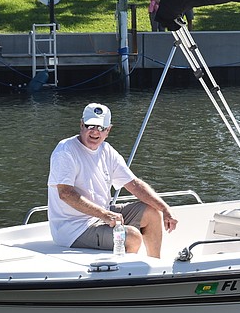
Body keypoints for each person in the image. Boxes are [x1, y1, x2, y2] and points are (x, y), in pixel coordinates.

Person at [47, 103, 178, 257]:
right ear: (81, 125)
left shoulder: (107, 151)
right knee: (132, 237)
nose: (95, 131)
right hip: (73, 229)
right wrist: (104, 214)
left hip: (100, 216)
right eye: (90, 125)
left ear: (108, 130)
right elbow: (65, 193)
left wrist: (165, 209)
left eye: (101, 127)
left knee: (152, 212)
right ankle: (127, 276)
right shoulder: (66, 151)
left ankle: (156, 266)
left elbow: (134, 184)